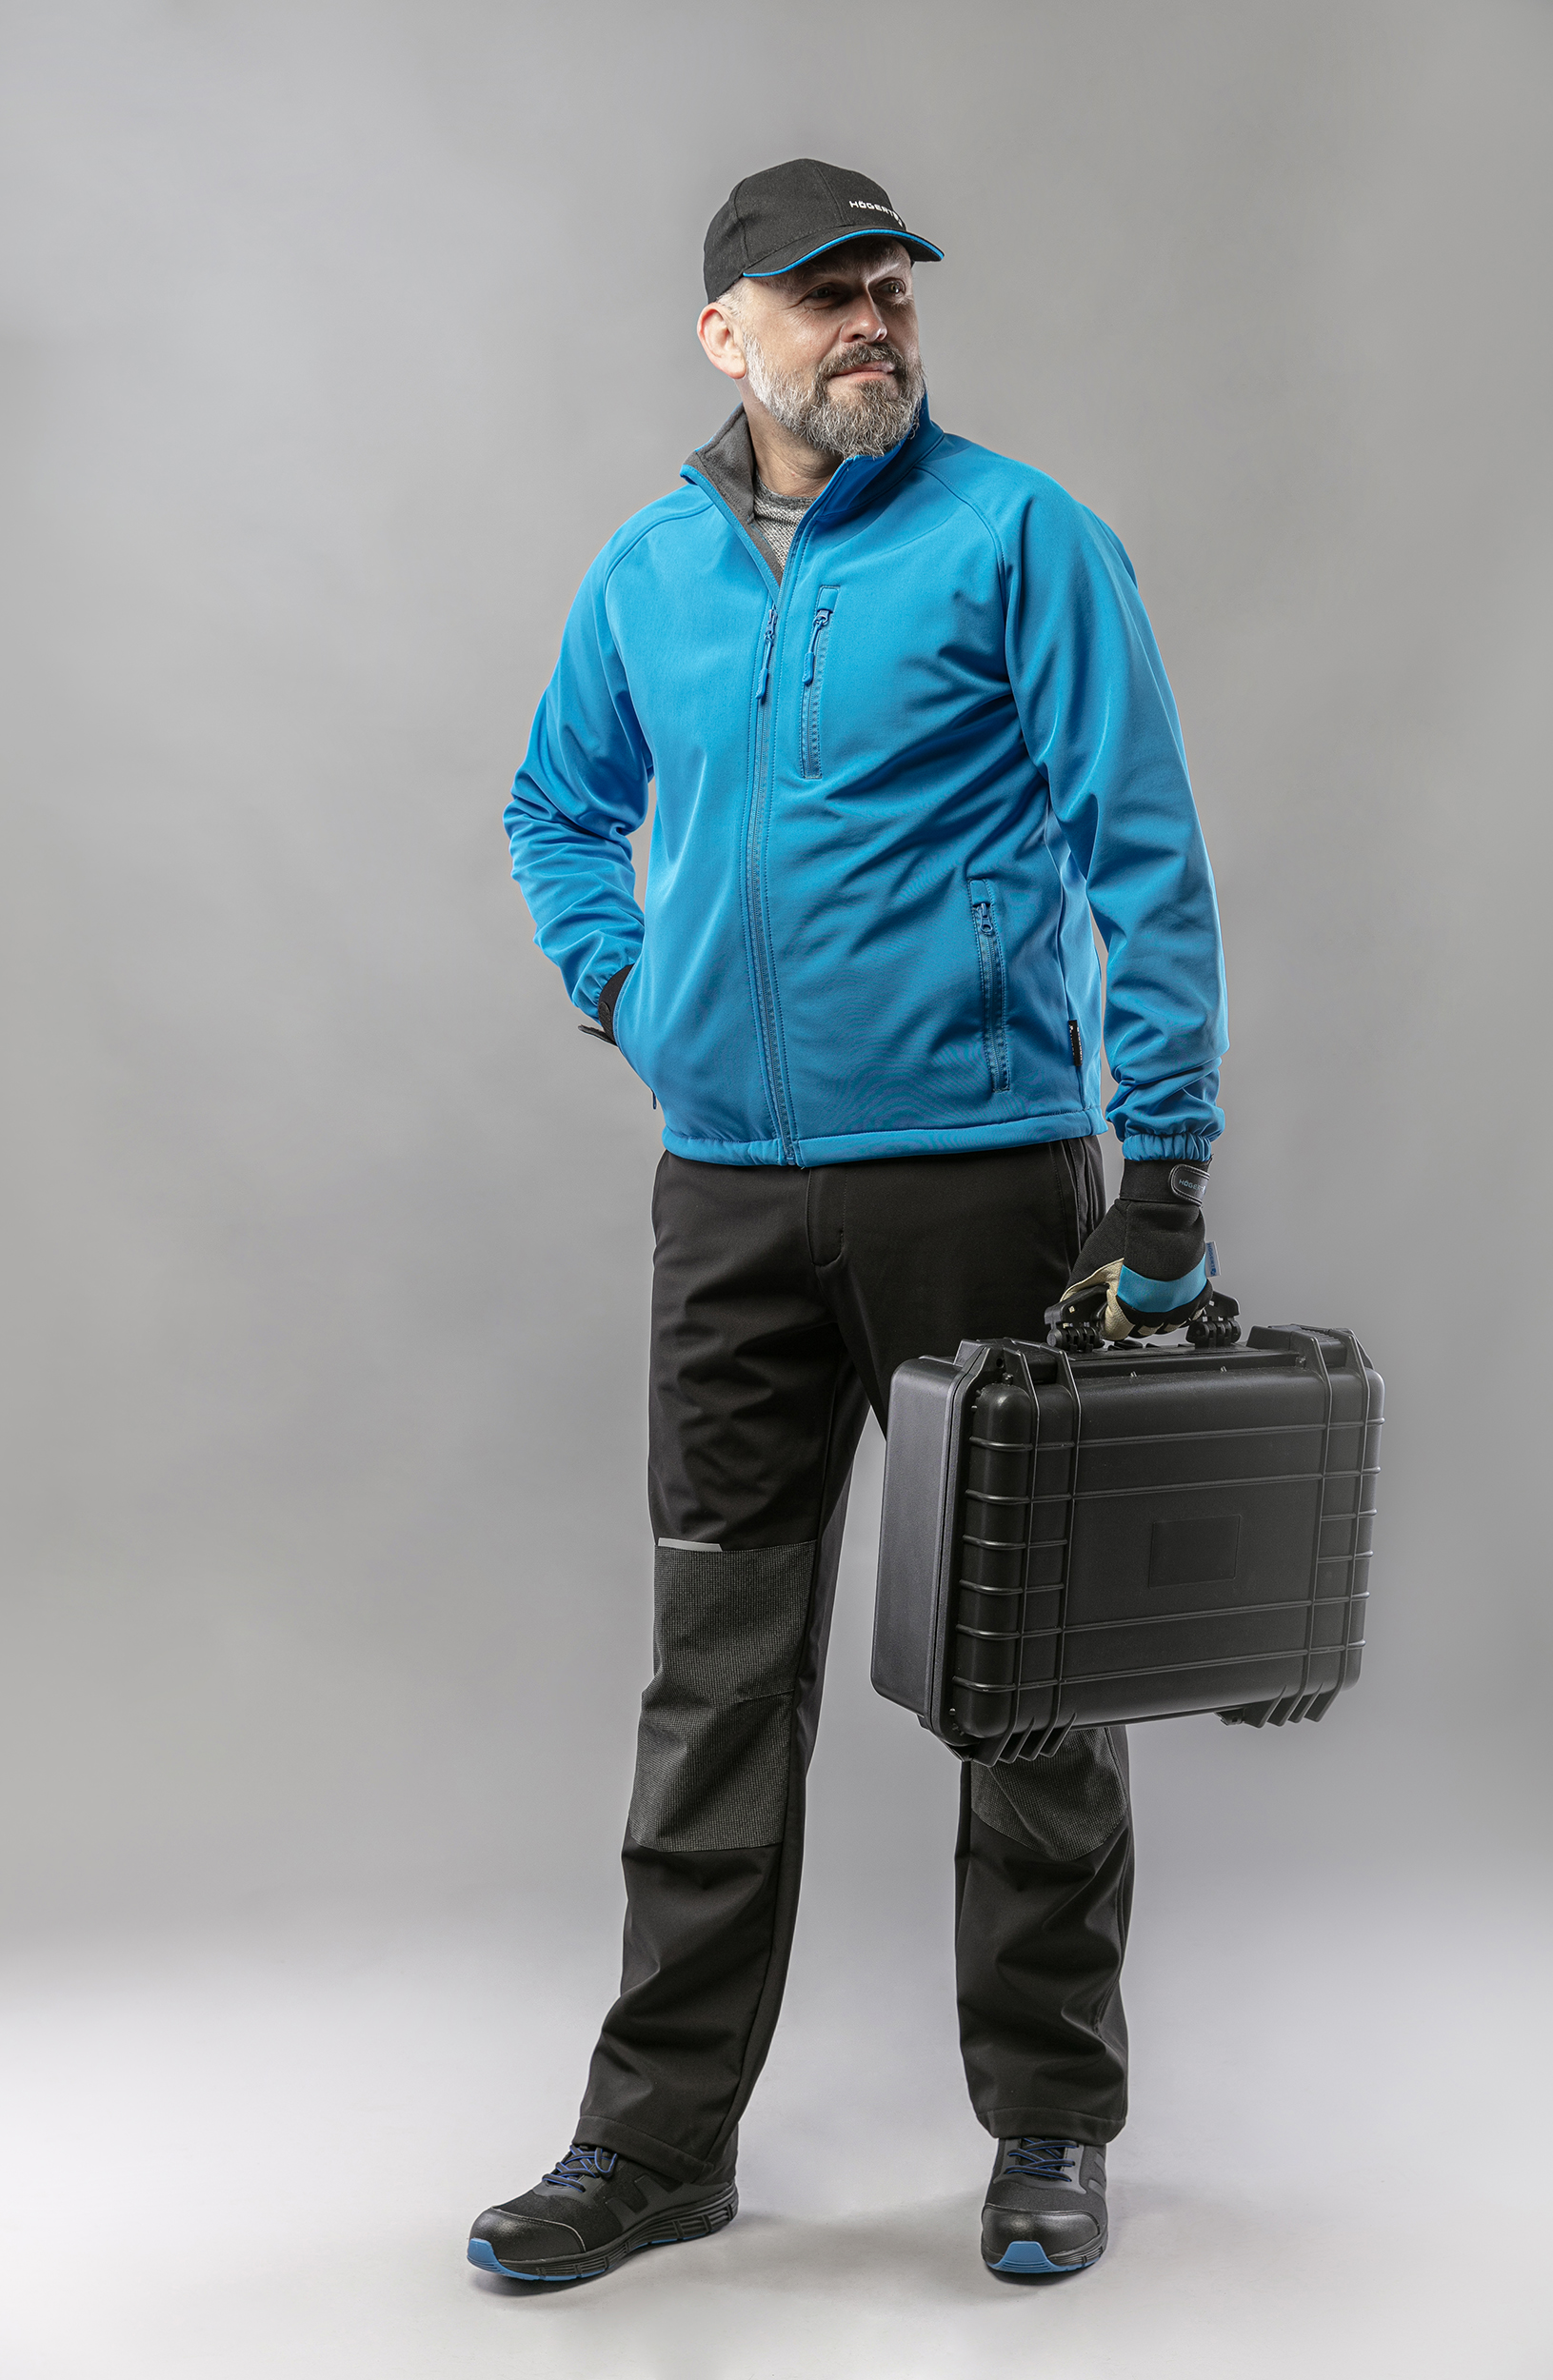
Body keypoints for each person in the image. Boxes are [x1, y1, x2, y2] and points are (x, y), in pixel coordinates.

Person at [469, 156, 1227, 2288]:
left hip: (985, 1182)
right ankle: (654, 2145)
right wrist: (634, 990)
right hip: (726, 1200)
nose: (872, 321)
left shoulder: (1020, 536)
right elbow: (555, 807)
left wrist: (1163, 1166)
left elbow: (1143, 845)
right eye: (825, 296)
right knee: (714, 1677)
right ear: (729, 336)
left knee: (1027, 1680)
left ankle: (1051, 2119)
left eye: (891, 287)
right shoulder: (646, 572)